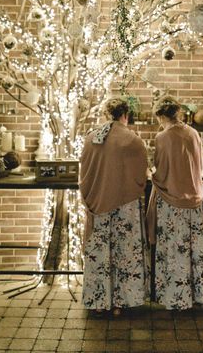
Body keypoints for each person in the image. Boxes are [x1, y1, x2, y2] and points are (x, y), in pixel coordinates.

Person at [79, 98, 149, 315]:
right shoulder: (133, 140)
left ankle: (99, 302)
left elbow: (84, 172)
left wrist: (90, 196)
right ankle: (121, 303)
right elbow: (141, 176)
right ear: (125, 115)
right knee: (125, 253)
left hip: (99, 202)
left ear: (105, 115)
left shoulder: (91, 139)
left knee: (100, 253)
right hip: (125, 203)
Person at [147, 95, 203, 310]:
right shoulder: (193, 133)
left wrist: (151, 174)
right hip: (194, 197)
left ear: (162, 115)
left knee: (173, 250)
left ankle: (174, 297)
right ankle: (195, 295)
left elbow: (161, 171)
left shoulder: (163, 137)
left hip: (171, 199)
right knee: (191, 249)